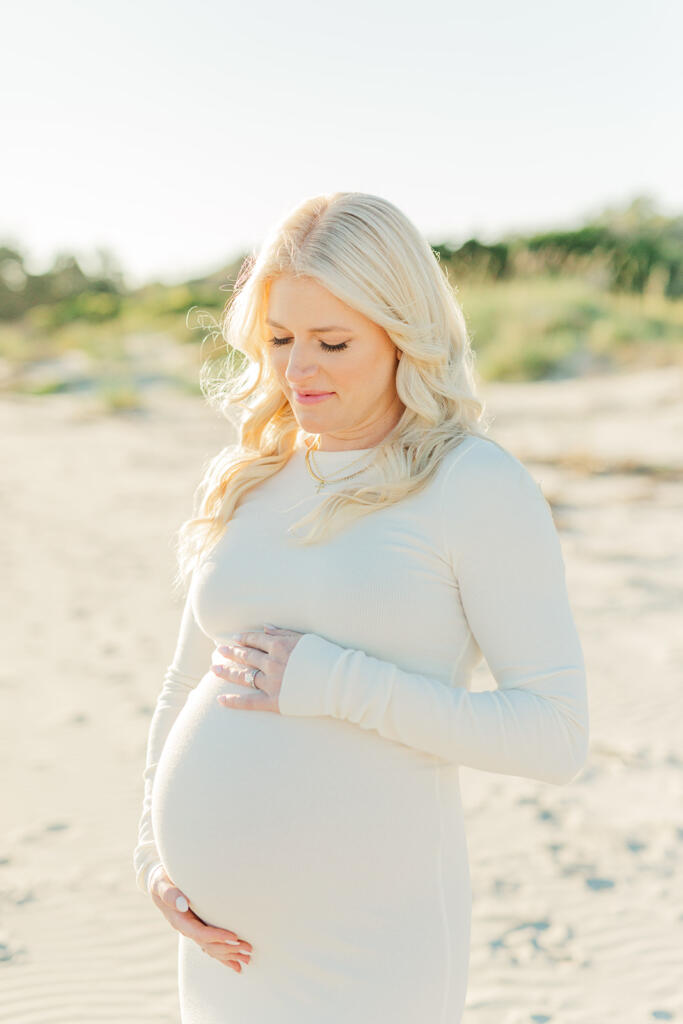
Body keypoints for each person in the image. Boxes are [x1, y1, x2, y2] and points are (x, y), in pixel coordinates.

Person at [133, 191, 589, 1023]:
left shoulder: (472, 484)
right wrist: (153, 862)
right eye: (278, 339)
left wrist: (337, 683)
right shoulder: (249, 477)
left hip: (372, 946)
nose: (295, 370)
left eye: (332, 342)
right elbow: (183, 684)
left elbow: (554, 736)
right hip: (222, 953)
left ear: (403, 336)